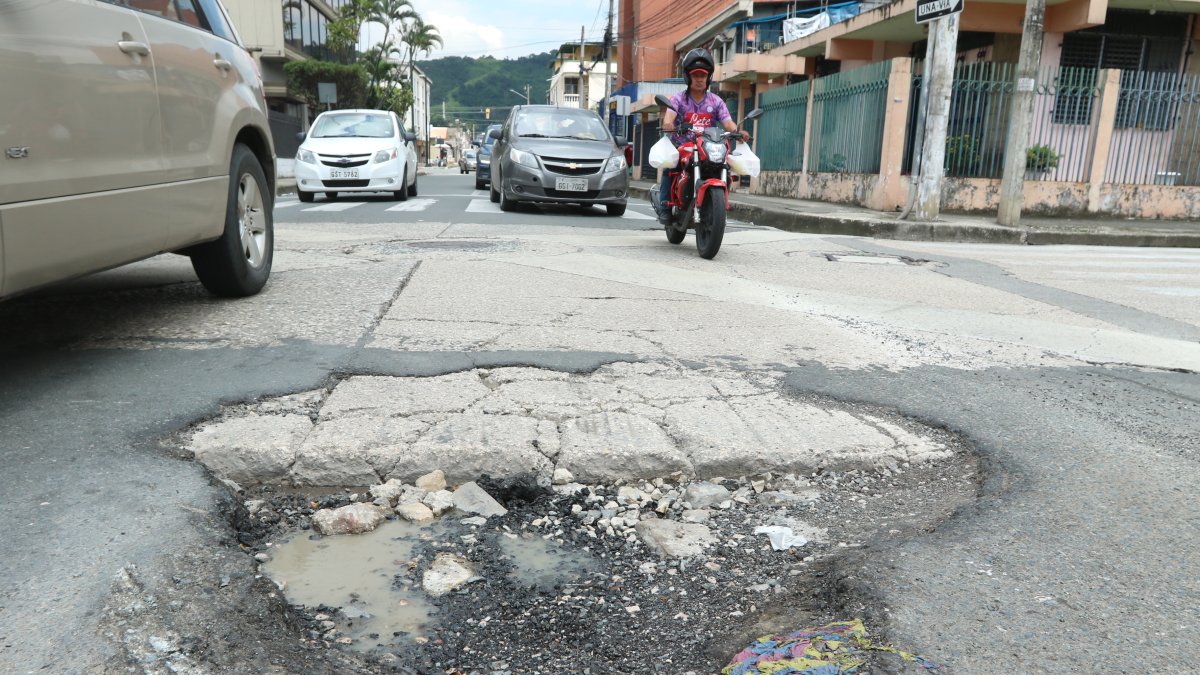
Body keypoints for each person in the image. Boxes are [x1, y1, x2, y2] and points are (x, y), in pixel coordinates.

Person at [656, 48, 750, 224]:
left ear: (708, 77)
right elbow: (670, 116)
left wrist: (738, 132)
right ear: (688, 77)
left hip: (709, 146)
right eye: (696, 75)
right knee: (670, 166)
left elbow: (727, 123)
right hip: (684, 146)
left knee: (726, 166)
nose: (699, 79)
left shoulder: (716, 101)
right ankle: (665, 206)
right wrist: (669, 124)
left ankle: (719, 203)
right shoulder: (678, 99)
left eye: (703, 75)